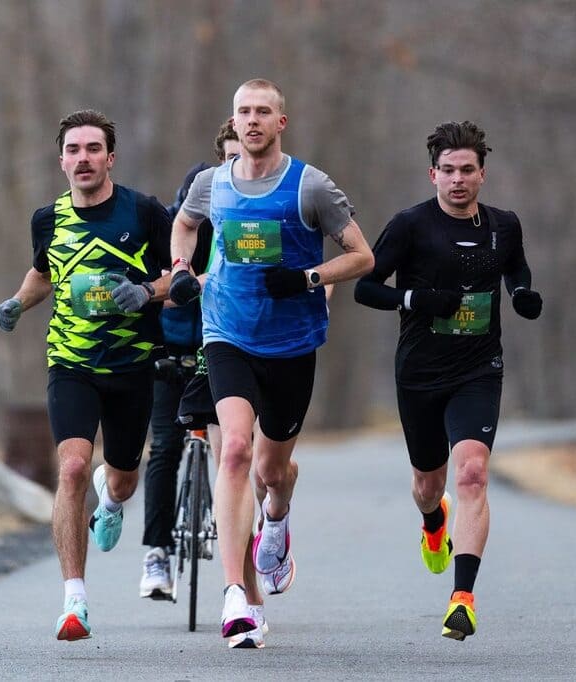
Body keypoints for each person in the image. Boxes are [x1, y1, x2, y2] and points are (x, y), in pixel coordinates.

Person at [168, 79, 374, 649]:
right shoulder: (211, 184)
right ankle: (236, 596)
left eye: (263, 112)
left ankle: (276, 518)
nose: (253, 120)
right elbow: (184, 223)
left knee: (271, 472)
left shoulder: (311, 186)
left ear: (281, 122)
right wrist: (181, 267)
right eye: (244, 112)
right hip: (226, 332)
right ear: (233, 122)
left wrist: (309, 277)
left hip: (291, 345)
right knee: (234, 449)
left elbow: (362, 256)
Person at [354, 121, 543, 641]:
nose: (457, 180)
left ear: (482, 174)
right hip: (420, 371)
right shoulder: (410, 225)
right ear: (432, 174)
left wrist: (522, 293)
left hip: (478, 368)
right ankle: (434, 522)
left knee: (473, 475)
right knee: (428, 485)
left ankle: (462, 599)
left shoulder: (505, 225)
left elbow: (516, 268)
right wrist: (415, 299)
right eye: (448, 171)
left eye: (467, 170)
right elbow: (366, 288)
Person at [0, 109, 172, 642]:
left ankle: (111, 501)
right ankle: (75, 601)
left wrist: (146, 291)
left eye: (94, 149)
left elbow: (181, 274)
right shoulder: (47, 219)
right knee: (72, 467)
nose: (84, 158)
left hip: (133, 363)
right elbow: (43, 273)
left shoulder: (143, 211)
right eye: (74, 150)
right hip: (71, 361)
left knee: (122, 478)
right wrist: (17, 302)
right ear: (62, 161)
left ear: (110, 158)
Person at [139, 121, 241, 600]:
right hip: (171, 351)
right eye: (230, 159)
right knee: (164, 447)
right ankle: (157, 553)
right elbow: (151, 288)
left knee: (234, 453)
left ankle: (240, 562)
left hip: (223, 350)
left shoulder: (243, 223)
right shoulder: (176, 224)